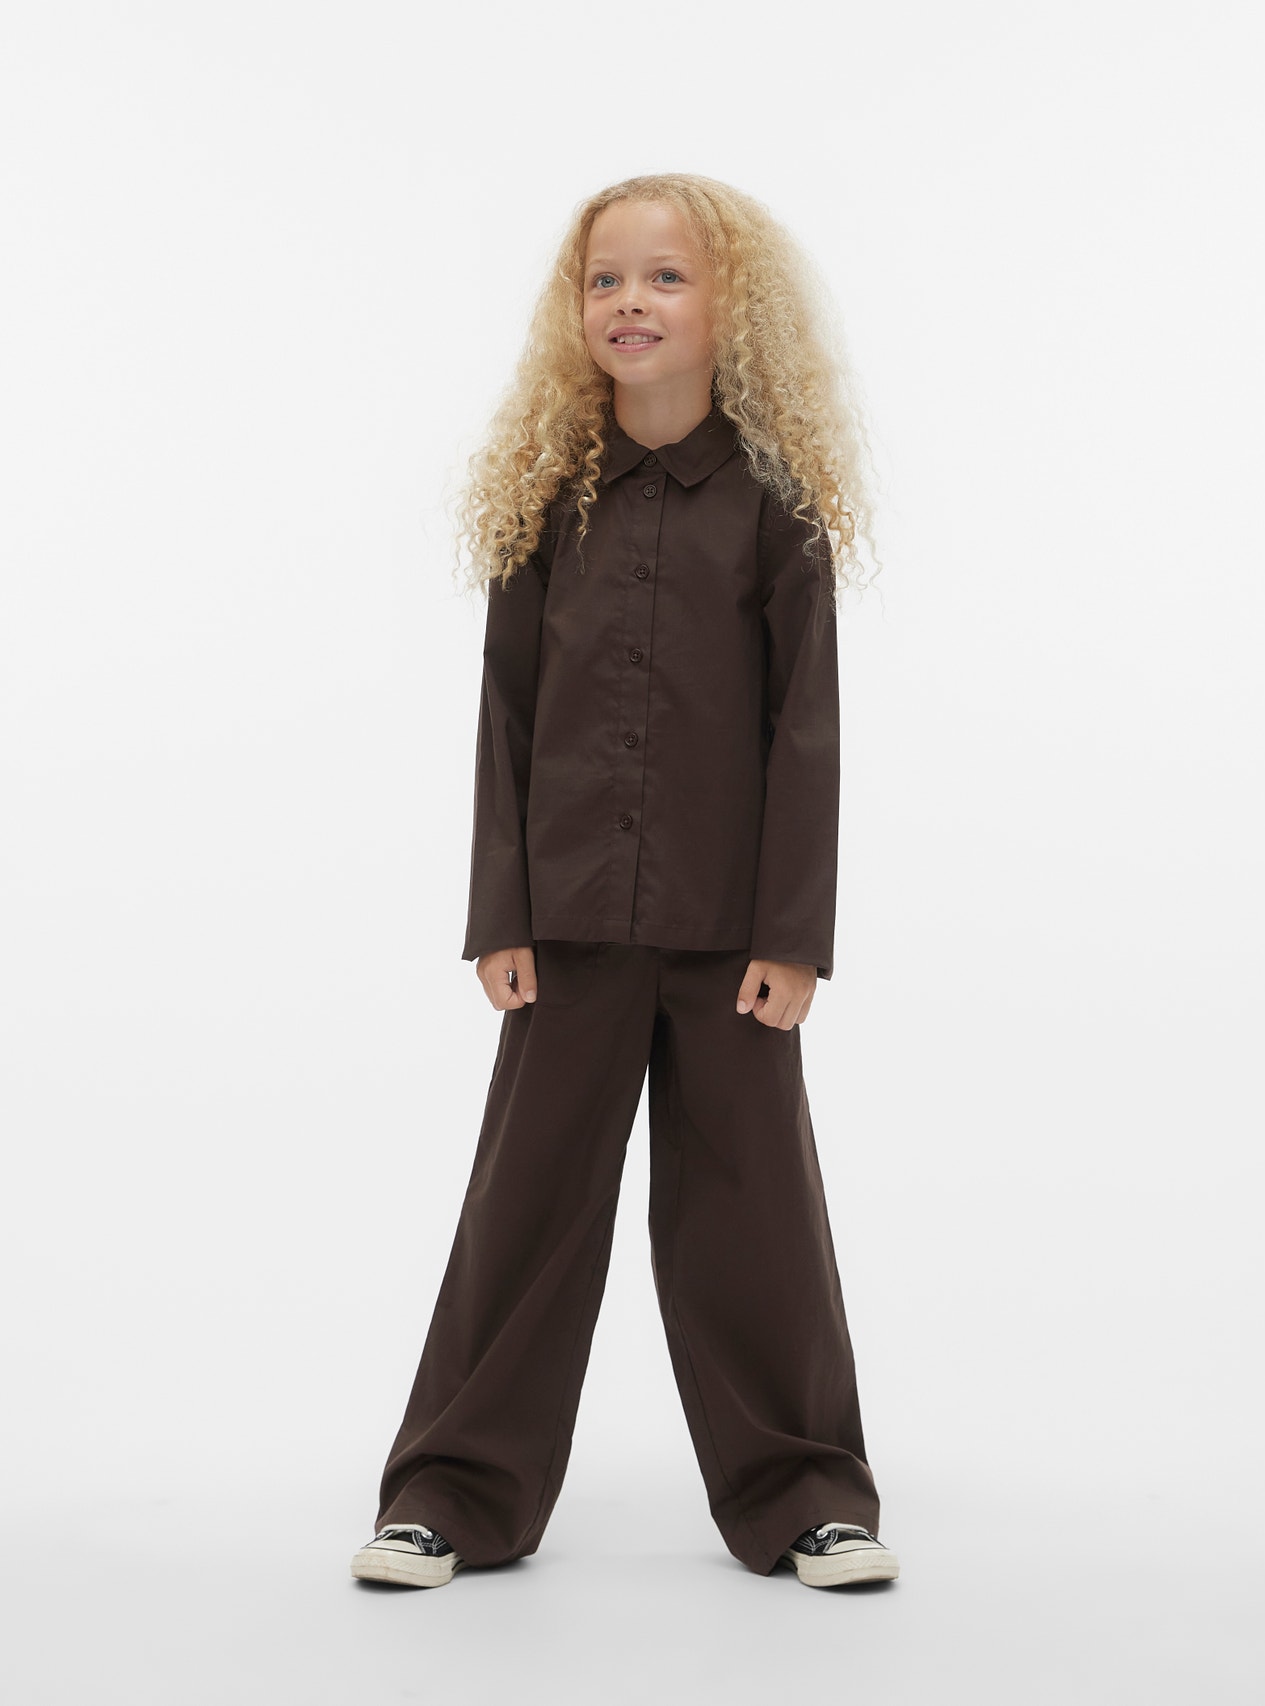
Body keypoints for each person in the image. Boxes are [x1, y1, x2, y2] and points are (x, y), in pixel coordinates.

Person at [349, 172, 900, 1593]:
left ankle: (807, 1494)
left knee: (753, 1214)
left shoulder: (776, 508)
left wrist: (794, 934)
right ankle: (451, 1493)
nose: (630, 302)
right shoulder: (549, 502)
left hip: (732, 938)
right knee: (524, 1208)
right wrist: (500, 912)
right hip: (570, 926)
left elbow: (807, 728)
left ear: (732, 308)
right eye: (604, 279)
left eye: (665, 276)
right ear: (575, 309)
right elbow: (507, 714)